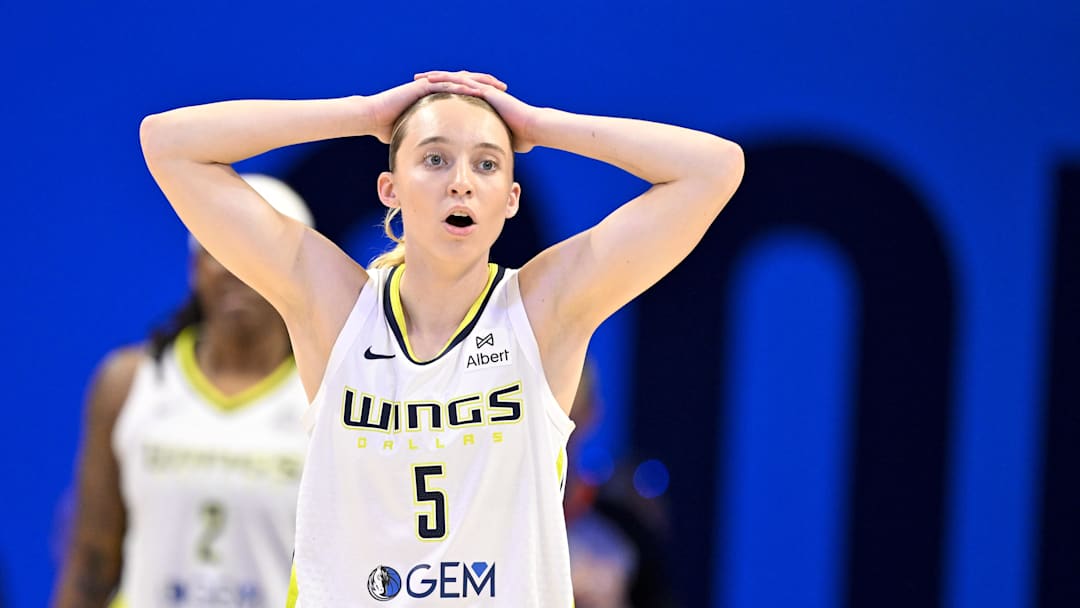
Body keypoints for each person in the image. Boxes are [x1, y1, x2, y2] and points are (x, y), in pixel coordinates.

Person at [138, 69, 744, 606]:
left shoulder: (542, 312)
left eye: (486, 164)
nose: (461, 182)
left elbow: (714, 168)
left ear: (511, 200)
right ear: (390, 190)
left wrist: (536, 125)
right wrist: (363, 115)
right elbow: (169, 144)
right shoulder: (338, 310)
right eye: (434, 159)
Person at [52, 175, 314, 608]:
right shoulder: (130, 384)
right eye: (218, 247)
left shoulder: (328, 399)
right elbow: (92, 560)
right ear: (196, 267)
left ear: (297, 270)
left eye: (258, 247)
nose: (235, 266)